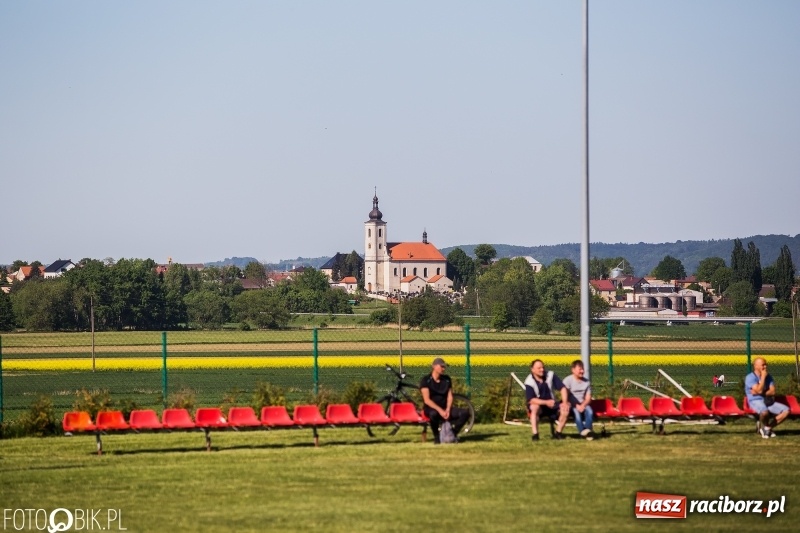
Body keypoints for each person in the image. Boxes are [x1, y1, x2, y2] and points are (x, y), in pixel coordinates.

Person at [419, 357, 470, 444]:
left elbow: (450, 396)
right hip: (431, 408)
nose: (443, 369)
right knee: (433, 414)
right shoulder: (425, 380)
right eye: (441, 366)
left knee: (465, 413)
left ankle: (452, 433)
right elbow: (427, 400)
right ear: (434, 366)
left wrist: (448, 409)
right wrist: (440, 410)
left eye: (444, 367)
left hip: (445, 408)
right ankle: (437, 437)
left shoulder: (446, 379)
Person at [524, 359, 570, 441]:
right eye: (539, 368)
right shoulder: (529, 381)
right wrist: (546, 402)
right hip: (540, 406)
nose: (542, 370)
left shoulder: (551, 375)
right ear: (532, 370)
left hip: (552, 404)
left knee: (566, 408)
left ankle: (558, 433)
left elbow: (563, 388)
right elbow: (531, 399)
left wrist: (565, 402)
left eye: (543, 367)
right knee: (534, 408)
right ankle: (535, 435)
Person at [744, 357, 789, 438]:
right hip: (755, 400)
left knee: (786, 410)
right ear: (756, 366)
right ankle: (765, 429)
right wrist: (763, 377)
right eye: (763, 365)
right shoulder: (750, 377)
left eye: (766, 365)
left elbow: (772, 391)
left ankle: (767, 428)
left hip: (767, 400)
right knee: (764, 411)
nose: (765, 367)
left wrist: (759, 392)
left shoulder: (769, 377)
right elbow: (759, 390)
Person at [562, 360, 594, 440]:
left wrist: (583, 405)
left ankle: (586, 432)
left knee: (590, 412)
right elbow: (566, 396)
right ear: (573, 370)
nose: (582, 371)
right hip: (572, 405)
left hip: (583, 404)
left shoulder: (586, 382)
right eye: (580, 369)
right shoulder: (567, 381)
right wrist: (576, 405)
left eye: (582, 369)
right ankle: (583, 432)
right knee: (577, 415)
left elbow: (588, 398)